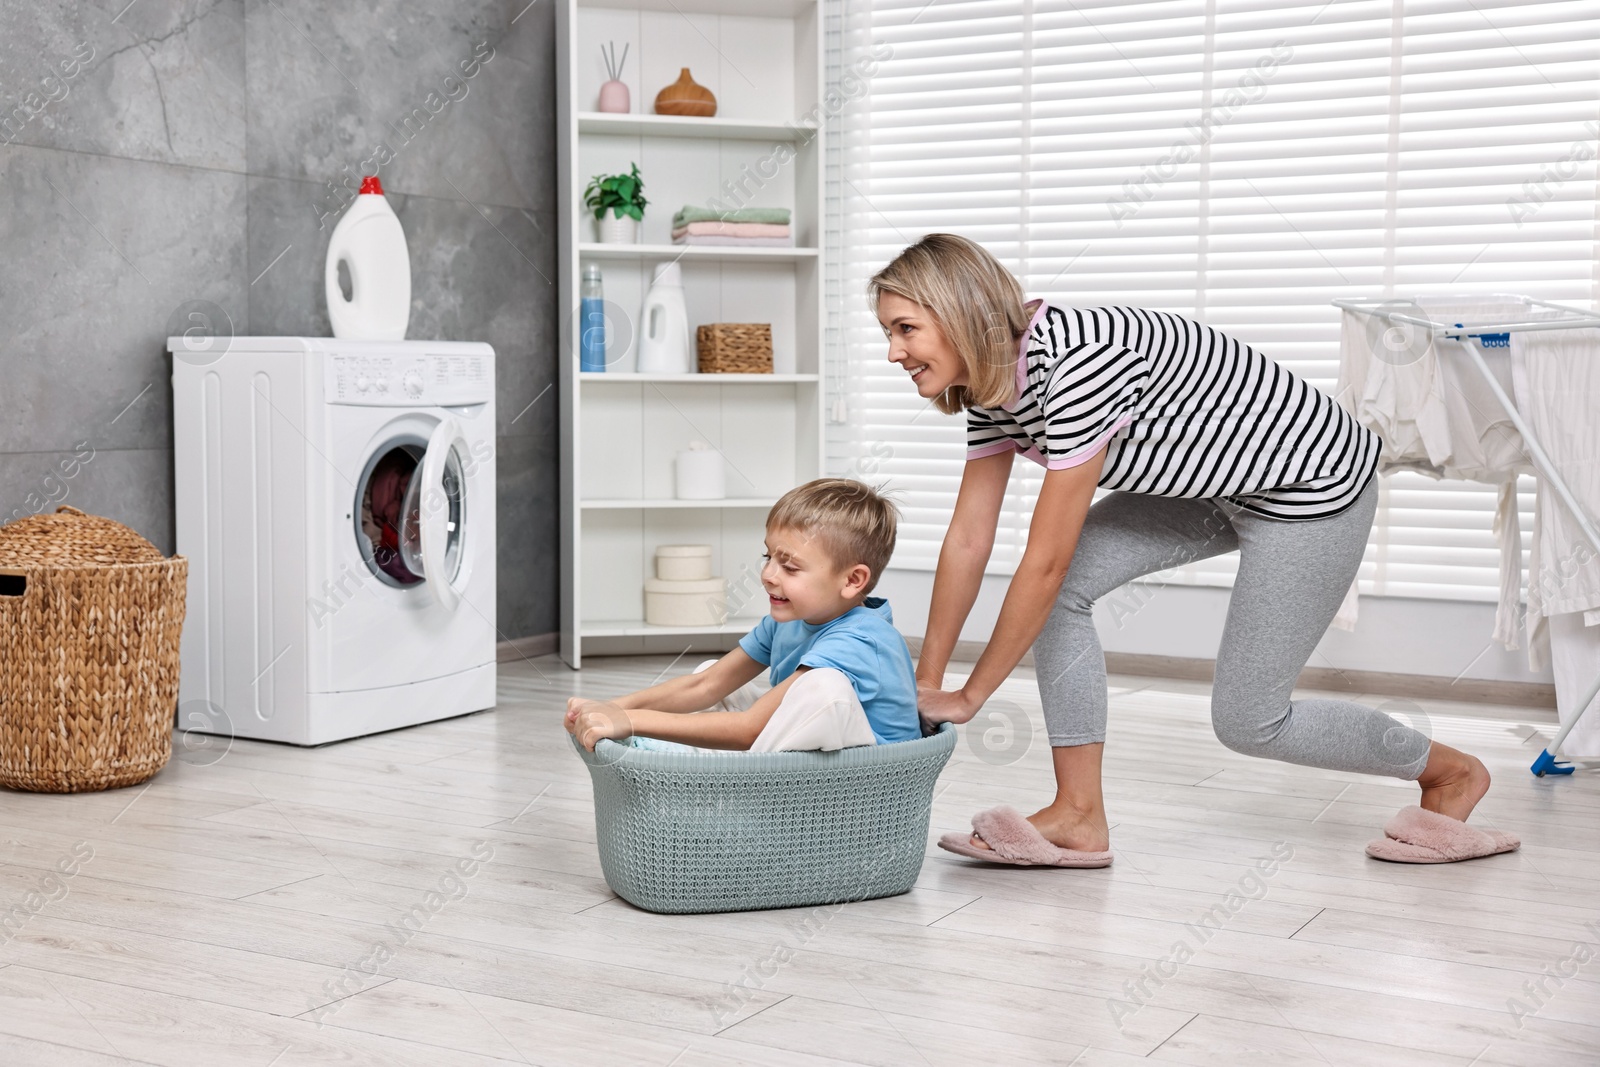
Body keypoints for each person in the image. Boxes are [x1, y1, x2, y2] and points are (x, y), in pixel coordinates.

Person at [874, 233, 1517, 867]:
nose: (894, 352)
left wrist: (970, 696)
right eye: (888, 334)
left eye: (905, 329)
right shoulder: (996, 388)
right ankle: (1078, 814)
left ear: (962, 310)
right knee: (1063, 600)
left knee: (1250, 722)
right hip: (1214, 485)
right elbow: (967, 539)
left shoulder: (1077, 365)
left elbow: (1045, 562)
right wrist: (929, 680)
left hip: (1312, 485)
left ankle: (1452, 772)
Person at [565, 478, 922, 753]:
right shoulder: (793, 618)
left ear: (852, 580)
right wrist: (611, 706)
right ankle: (696, 764)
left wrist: (630, 721)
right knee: (709, 672)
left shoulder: (862, 639)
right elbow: (705, 686)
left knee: (823, 686)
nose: (768, 574)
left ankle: (721, 781)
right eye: (768, 556)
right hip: (806, 760)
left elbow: (751, 728)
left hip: (863, 785)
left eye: (791, 567)